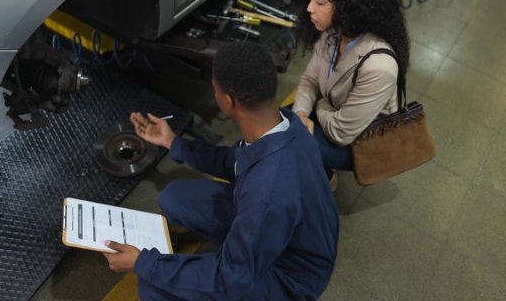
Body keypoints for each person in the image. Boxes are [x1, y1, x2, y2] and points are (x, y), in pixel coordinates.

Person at [103, 42, 339, 300]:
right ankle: (239, 249)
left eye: (215, 89)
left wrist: (143, 264)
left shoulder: (269, 190)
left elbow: (231, 278)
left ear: (228, 101)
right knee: (176, 198)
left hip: (291, 278)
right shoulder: (284, 125)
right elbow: (234, 161)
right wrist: (173, 142)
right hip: (288, 235)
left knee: (153, 287)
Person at [292, 0, 411, 187]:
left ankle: (324, 179)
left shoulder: (379, 66)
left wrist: (319, 104)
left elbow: (340, 133)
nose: (309, 8)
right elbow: (309, 81)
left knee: (285, 136)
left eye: (319, 2)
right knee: (285, 121)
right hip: (334, 115)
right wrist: (302, 114)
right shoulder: (334, 32)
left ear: (346, 7)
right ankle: (318, 169)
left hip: (358, 144)